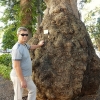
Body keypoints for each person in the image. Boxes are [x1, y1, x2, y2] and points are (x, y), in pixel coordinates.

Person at [10, 27, 44, 100]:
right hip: (18, 76)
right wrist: (22, 80)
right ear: (18, 35)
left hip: (27, 76)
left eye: (26, 34)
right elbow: (16, 66)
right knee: (18, 96)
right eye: (22, 35)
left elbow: (31, 47)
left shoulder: (24, 45)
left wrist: (39, 45)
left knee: (33, 89)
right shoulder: (17, 49)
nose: (25, 36)